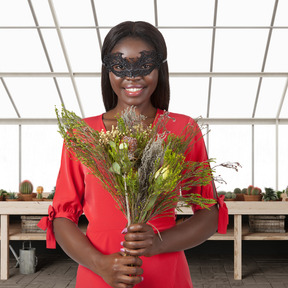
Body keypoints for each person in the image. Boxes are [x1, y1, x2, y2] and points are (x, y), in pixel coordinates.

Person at [38, 21, 228, 288]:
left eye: (144, 65)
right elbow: (62, 218)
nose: (133, 76)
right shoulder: (82, 134)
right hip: (99, 273)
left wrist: (160, 242)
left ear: (160, 68)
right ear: (107, 71)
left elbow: (208, 214)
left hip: (166, 273)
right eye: (120, 65)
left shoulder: (182, 129)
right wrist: (100, 264)